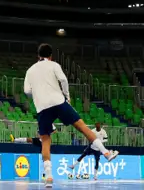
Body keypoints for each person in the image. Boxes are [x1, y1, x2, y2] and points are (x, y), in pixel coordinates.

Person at [19, 43, 102, 185]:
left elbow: (27, 91)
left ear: (38, 56)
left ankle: (49, 176)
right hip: (59, 101)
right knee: (81, 126)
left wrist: (38, 94)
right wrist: (67, 96)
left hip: (42, 107)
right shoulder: (54, 65)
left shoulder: (30, 70)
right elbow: (63, 80)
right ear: (50, 56)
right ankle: (105, 151)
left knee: (45, 140)